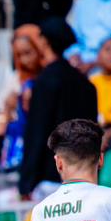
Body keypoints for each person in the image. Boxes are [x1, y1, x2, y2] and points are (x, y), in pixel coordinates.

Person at [19, 18, 98, 199]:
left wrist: (26, 183)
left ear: (45, 42)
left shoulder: (45, 83)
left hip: (50, 179)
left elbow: (37, 133)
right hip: (84, 177)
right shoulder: (86, 85)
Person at [0, 25, 46, 172]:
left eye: (28, 53)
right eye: (19, 55)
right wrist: (10, 108)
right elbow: (0, 122)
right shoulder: (14, 80)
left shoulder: (48, 78)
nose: (24, 60)